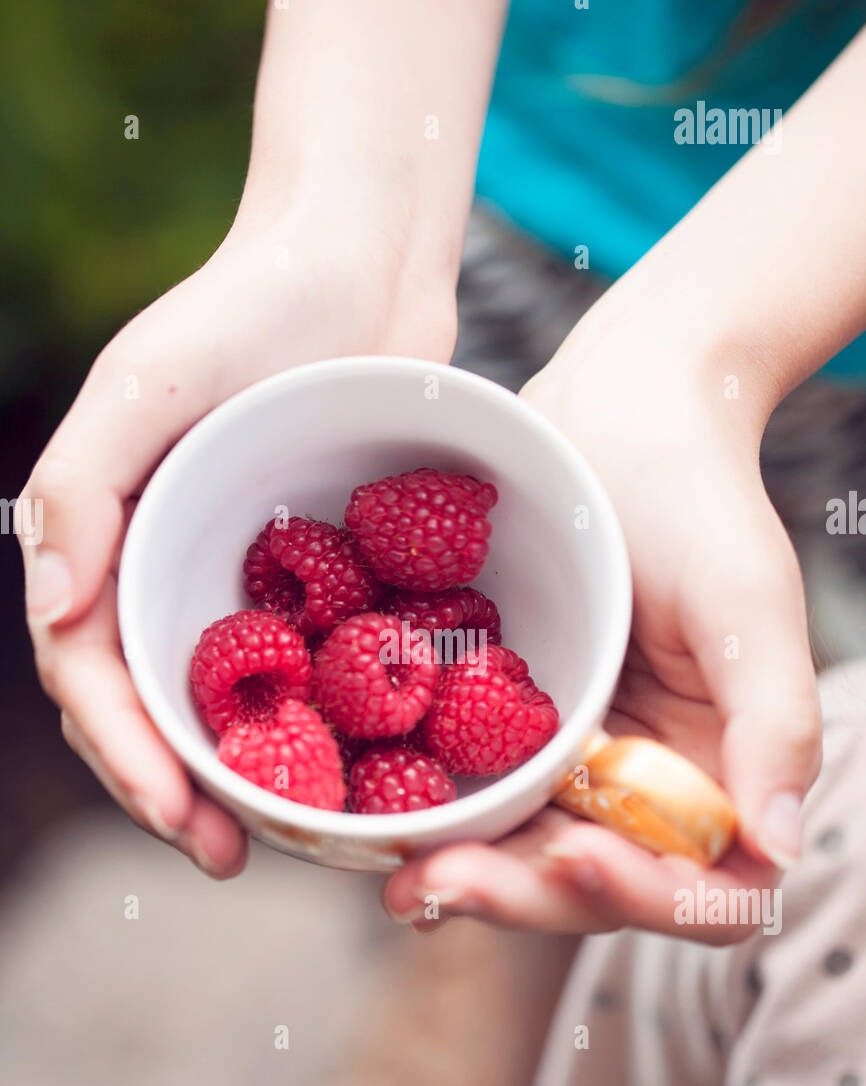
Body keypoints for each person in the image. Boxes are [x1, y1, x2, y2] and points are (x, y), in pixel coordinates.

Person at [19, 1, 866, 933]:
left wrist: (703, 358)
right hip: (504, 162)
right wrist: (338, 229)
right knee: (483, 896)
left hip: (840, 309)